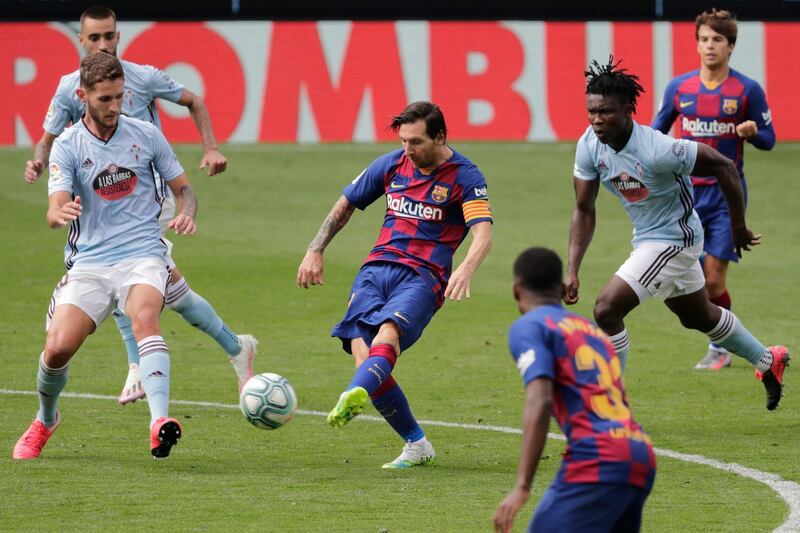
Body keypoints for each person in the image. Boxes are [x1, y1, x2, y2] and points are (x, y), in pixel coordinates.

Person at [23, 6, 256, 403]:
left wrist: (211, 147)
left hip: (148, 199)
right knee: (173, 292)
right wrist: (39, 162)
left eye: (109, 36)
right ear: (81, 41)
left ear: (118, 35)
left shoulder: (143, 76)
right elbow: (47, 139)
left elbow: (194, 100)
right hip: (102, 198)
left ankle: (137, 366)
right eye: (94, 38)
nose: (103, 44)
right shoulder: (69, 88)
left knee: (127, 276)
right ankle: (236, 347)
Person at [566, 57, 789, 410]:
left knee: (607, 309)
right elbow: (583, 209)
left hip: (675, 239)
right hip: (648, 238)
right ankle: (768, 360)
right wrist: (573, 268)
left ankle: (610, 406)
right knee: (698, 316)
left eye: (605, 112)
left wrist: (738, 226)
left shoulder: (658, 149)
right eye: (591, 112)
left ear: (628, 109)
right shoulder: (589, 145)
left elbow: (724, 165)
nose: (596, 120)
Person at [14, 53, 191, 459]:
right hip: (90, 262)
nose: (115, 107)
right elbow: (54, 204)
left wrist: (188, 211)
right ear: (83, 96)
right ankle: (46, 418)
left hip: (143, 253)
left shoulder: (145, 134)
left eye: (119, 97)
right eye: (105, 99)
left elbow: (184, 187)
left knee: (145, 316)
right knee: (57, 349)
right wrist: (58, 212)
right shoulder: (69, 145)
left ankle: (158, 422)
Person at [297, 101, 493, 468]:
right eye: (403, 141)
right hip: (375, 269)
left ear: (440, 137)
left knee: (387, 335)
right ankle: (416, 444)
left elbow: (483, 232)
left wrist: (465, 268)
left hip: (423, 275)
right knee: (363, 350)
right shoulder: (391, 164)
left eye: (416, 142)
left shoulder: (465, 176)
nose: (408, 150)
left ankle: (355, 392)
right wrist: (315, 249)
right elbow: (346, 203)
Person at [494, 247, 656, 533]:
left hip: (598, 458)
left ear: (517, 290)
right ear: (561, 289)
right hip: (638, 452)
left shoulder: (529, 326)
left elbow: (540, 399)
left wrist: (522, 485)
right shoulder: (592, 331)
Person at [652, 9, 775, 370]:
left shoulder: (746, 89)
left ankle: (719, 347)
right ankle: (725, 338)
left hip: (725, 195)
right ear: (697, 44)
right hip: (683, 194)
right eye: (704, 39)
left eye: (717, 39)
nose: (710, 46)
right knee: (687, 280)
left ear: (730, 46)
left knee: (712, 278)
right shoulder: (679, 88)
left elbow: (769, 139)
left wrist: (753, 133)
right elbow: (656, 131)